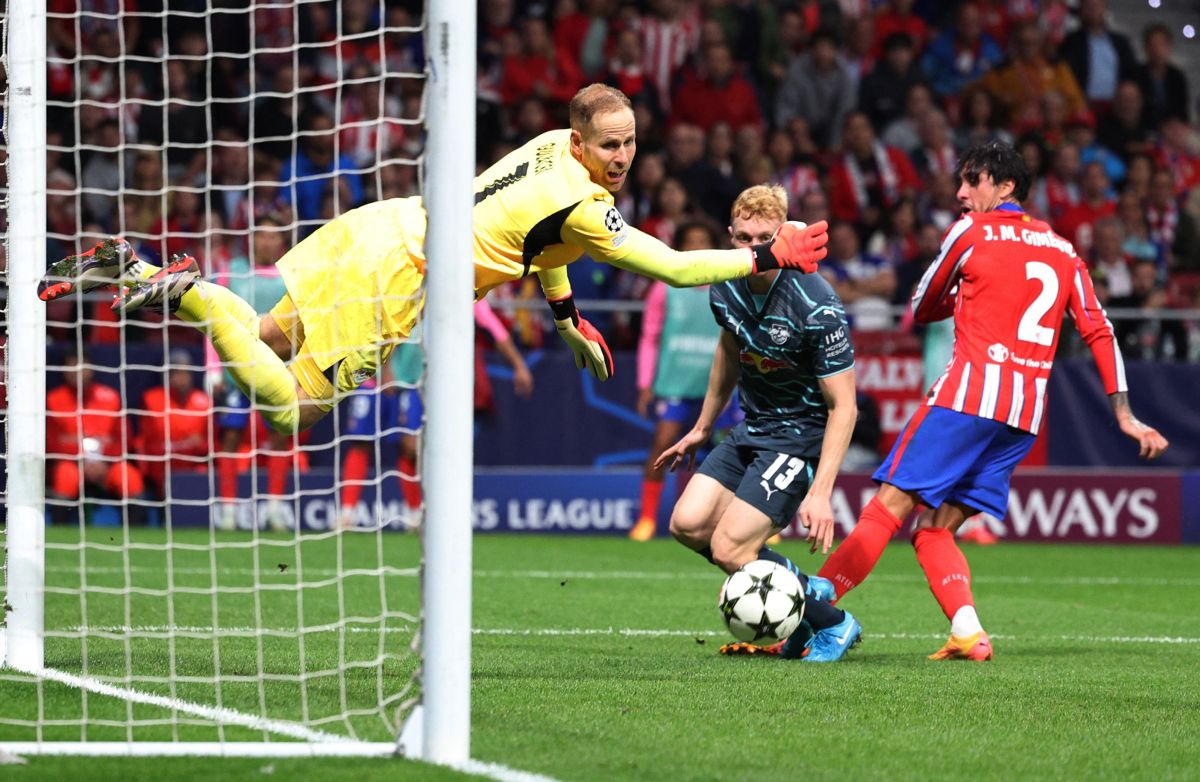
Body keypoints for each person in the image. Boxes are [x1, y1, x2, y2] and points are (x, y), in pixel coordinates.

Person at [39, 84, 830, 434]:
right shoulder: (587, 203)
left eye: (631, 144)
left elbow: (541, 245)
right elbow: (675, 268)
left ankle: (147, 276)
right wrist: (765, 258)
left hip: (385, 226)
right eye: (611, 145)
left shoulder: (554, 151)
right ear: (583, 140)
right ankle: (198, 297)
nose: (623, 157)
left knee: (275, 344)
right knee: (294, 411)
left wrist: (563, 317)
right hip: (400, 274)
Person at [815, 141, 1169, 661]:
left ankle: (806, 620)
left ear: (1005, 187)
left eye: (972, 180)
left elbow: (921, 304)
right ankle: (968, 633)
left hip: (966, 399)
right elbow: (1099, 330)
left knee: (885, 509)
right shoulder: (1065, 249)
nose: (960, 192)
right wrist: (1124, 413)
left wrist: (957, 298)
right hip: (1022, 417)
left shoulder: (971, 231)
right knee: (934, 528)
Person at [656, 185, 861, 663]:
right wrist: (703, 426)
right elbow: (729, 349)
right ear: (730, 237)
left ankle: (835, 624)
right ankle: (804, 590)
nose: (755, 249)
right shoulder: (725, 282)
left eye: (765, 238)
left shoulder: (816, 304)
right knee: (686, 524)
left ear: (783, 234)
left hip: (801, 437)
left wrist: (821, 492)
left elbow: (844, 407)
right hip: (753, 427)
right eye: (744, 238)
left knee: (730, 548)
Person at [629, 220, 727, 542]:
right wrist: (645, 383)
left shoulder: (725, 286)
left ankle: (751, 520)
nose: (697, 247)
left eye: (703, 240)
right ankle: (646, 519)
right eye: (691, 241)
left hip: (720, 385)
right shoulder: (664, 288)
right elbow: (650, 337)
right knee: (662, 443)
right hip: (674, 384)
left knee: (735, 450)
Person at [46, 348, 146, 524]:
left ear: (91, 369)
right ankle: (58, 534)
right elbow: (51, 441)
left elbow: (124, 437)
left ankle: (137, 537)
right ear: (64, 370)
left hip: (107, 464)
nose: (77, 371)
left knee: (129, 477)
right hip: (72, 463)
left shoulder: (111, 397)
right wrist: (81, 458)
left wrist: (104, 461)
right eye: (72, 366)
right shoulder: (53, 399)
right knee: (65, 477)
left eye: (83, 366)